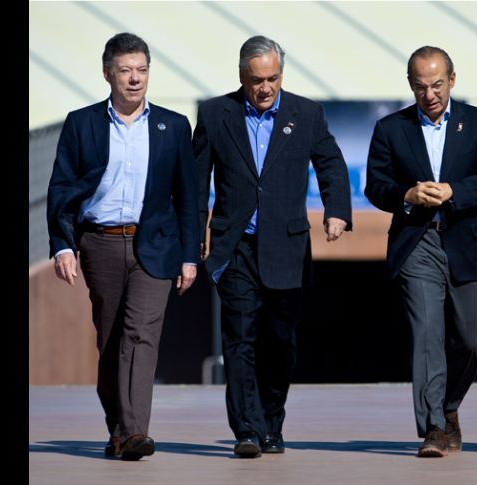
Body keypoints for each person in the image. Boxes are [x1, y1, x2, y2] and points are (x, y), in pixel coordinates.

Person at [193, 35, 352, 458]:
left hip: (286, 247)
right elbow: (195, 183)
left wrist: (336, 210)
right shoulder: (214, 114)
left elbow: (331, 163)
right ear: (242, 76)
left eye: (273, 78)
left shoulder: (307, 113)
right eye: (257, 80)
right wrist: (196, 237)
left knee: (280, 341)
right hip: (236, 246)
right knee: (239, 338)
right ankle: (246, 430)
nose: (265, 88)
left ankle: (272, 423)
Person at [46, 32, 199, 461]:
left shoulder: (173, 126)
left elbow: (188, 198)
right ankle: (119, 429)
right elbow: (60, 188)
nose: (135, 79)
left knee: (140, 335)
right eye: (126, 71)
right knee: (112, 342)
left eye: (142, 70)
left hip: (156, 245)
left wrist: (190, 256)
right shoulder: (82, 123)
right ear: (108, 74)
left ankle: (134, 432)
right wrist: (62, 245)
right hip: (101, 244)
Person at [365, 46, 477, 457]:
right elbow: (376, 185)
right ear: (411, 85)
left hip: (468, 242)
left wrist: (455, 192)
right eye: (421, 86)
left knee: (469, 339)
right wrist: (406, 194)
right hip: (417, 242)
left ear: (453, 80)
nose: (430, 94)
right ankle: (432, 428)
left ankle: (449, 406)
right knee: (426, 333)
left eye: (437, 84)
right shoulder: (391, 129)